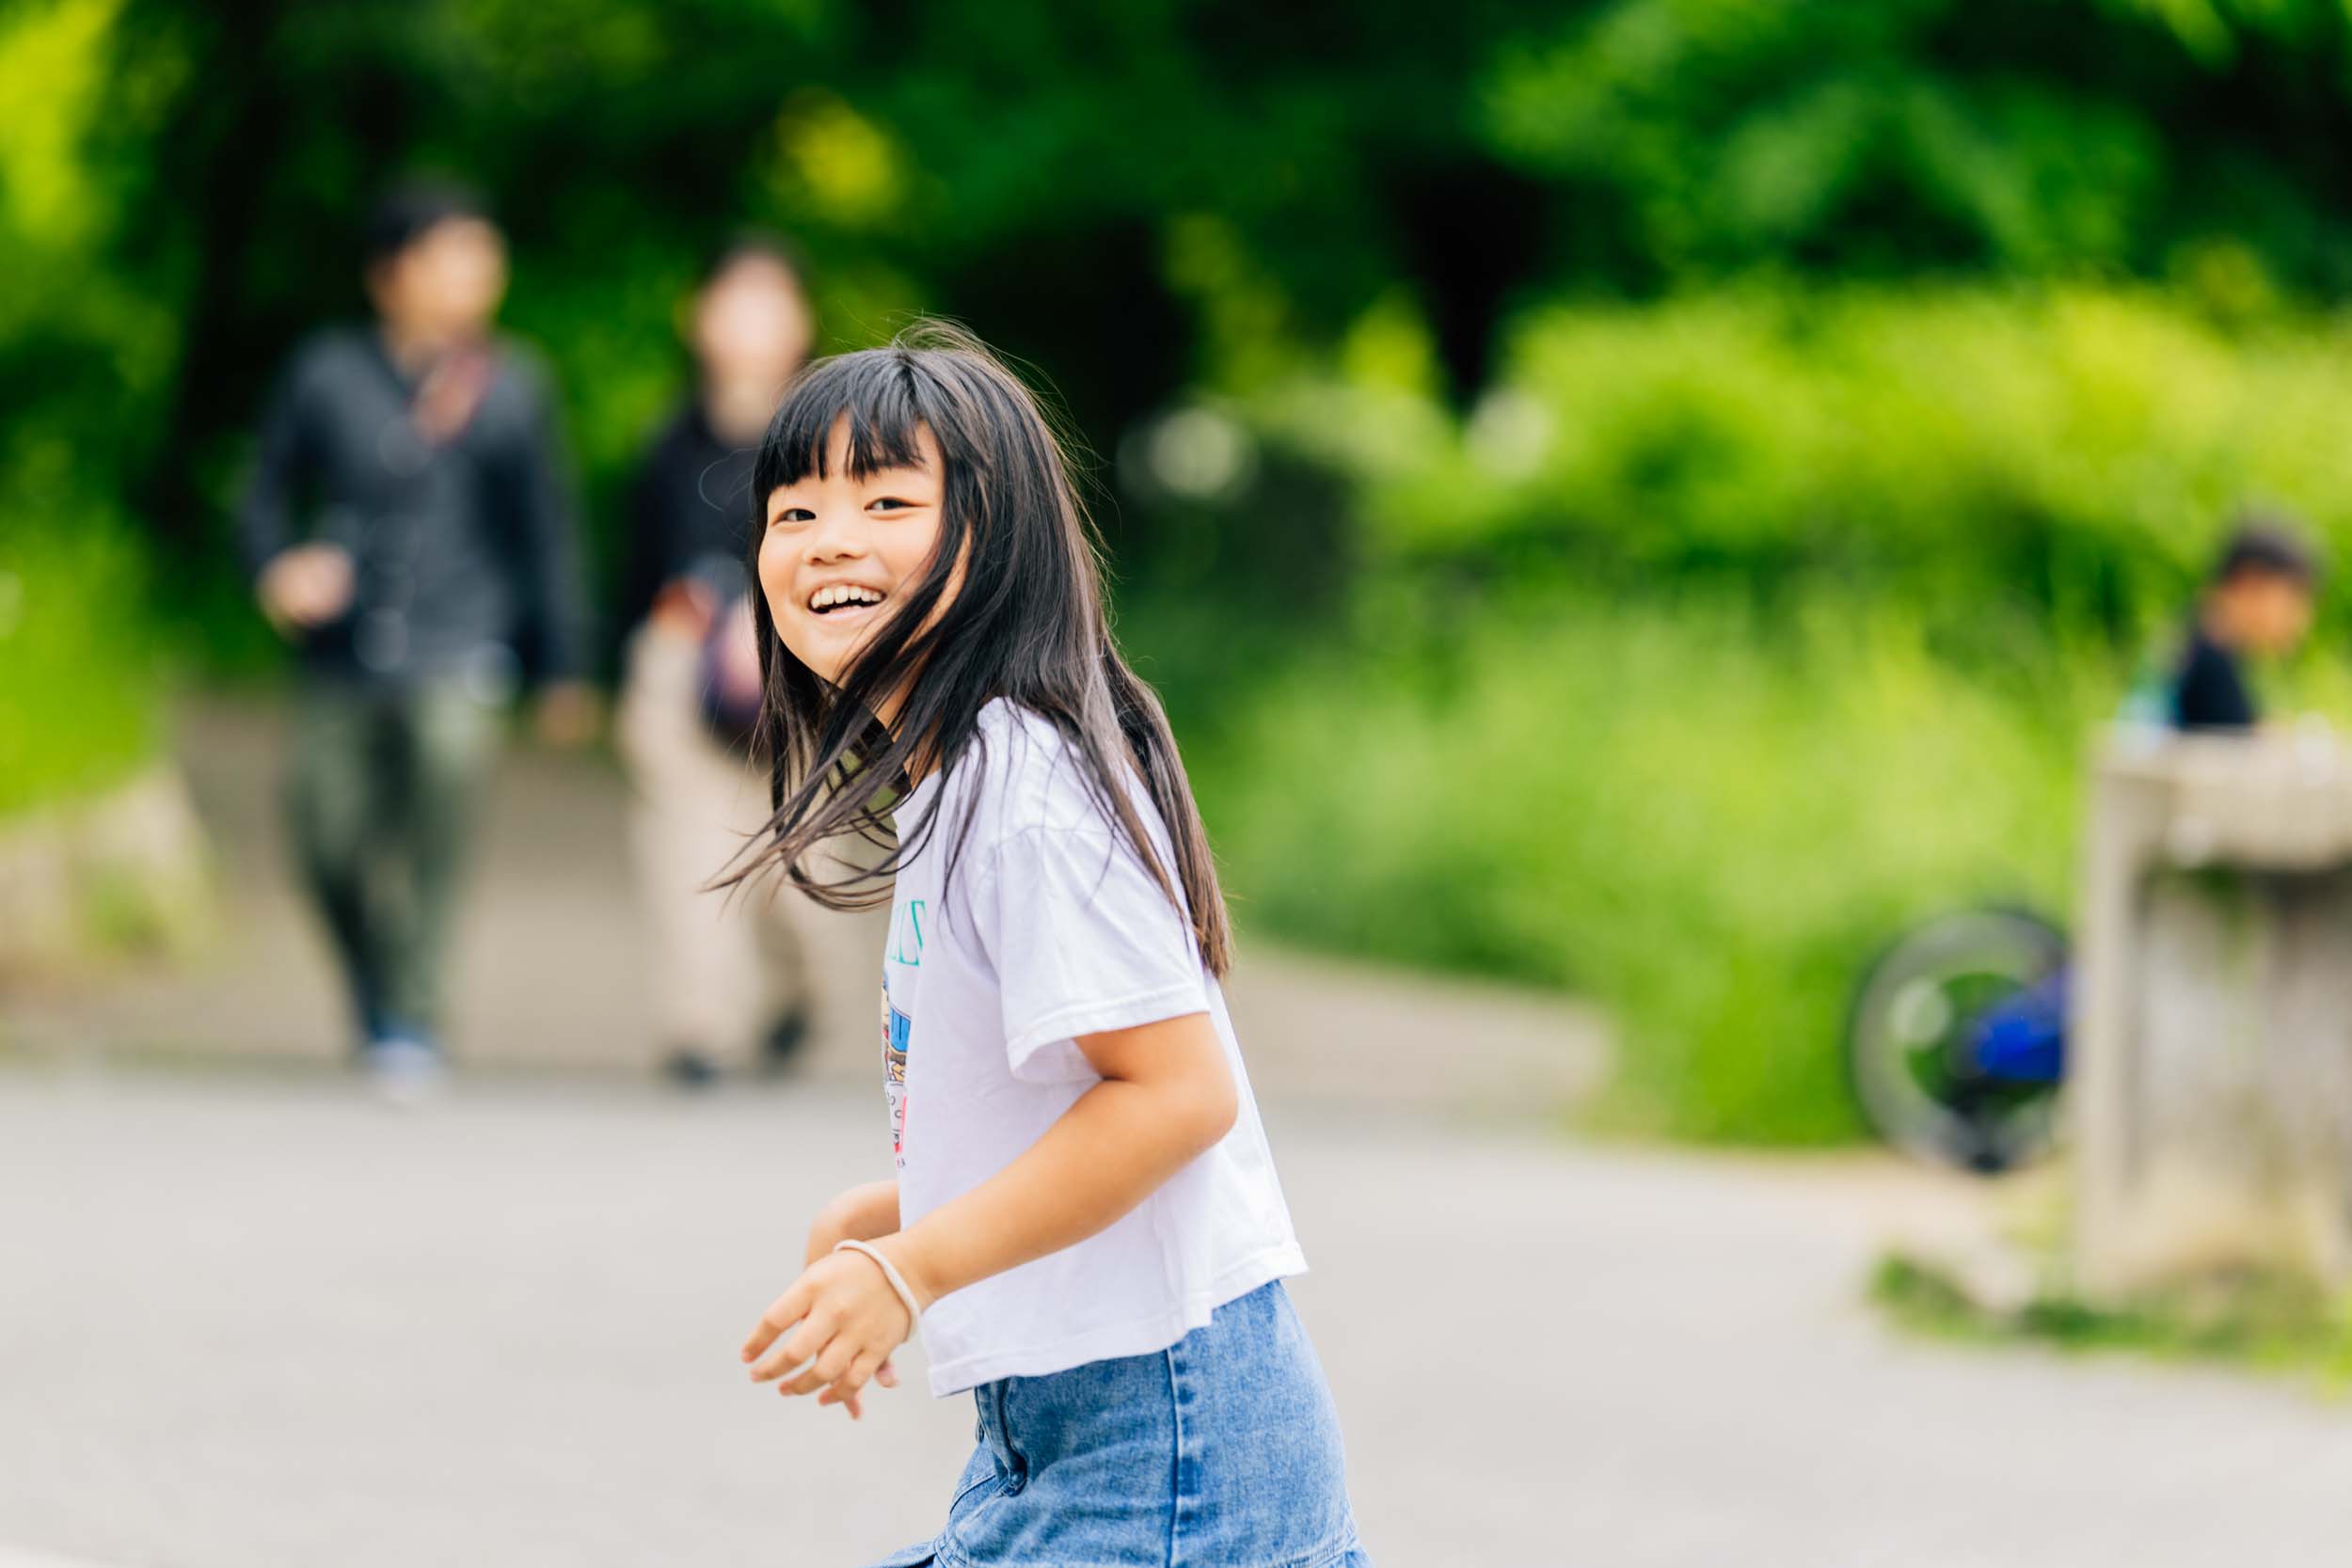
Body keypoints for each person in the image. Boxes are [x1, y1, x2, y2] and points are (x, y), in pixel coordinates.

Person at [727, 325, 1369, 1567]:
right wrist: (886, 1210)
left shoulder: (1020, 781)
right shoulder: (965, 775)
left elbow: (1177, 1095)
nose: (830, 538)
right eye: (795, 508)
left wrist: (911, 1265)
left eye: (888, 498)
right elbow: (1062, 1107)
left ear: (995, 535)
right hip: (1093, 1441)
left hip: (1171, 1455)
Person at [238, 181, 596, 1097]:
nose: (477, 276)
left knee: (442, 792)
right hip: (342, 648)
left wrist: (564, 665)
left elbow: (545, 530)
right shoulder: (325, 373)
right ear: (391, 272)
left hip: (462, 641)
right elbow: (263, 493)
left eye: (485, 256)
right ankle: (373, 984)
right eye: (452, 255)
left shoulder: (515, 385)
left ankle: (413, 1013)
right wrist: (278, 566)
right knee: (324, 834)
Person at [614, 237, 832, 1086]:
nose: (748, 326)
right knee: (686, 851)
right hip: (679, 671)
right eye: (732, 303)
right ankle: (699, 1028)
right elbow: (636, 571)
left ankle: (801, 995)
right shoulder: (667, 442)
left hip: (806, 672)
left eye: (769, 304)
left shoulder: (832, 436)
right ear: (699, 319)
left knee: (801, 869)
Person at [2169, 516, 2320, 731]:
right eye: (2294, 599)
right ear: (2250, 583)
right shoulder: (2208, 663)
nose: (2301, 620)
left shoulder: (2193, 644)